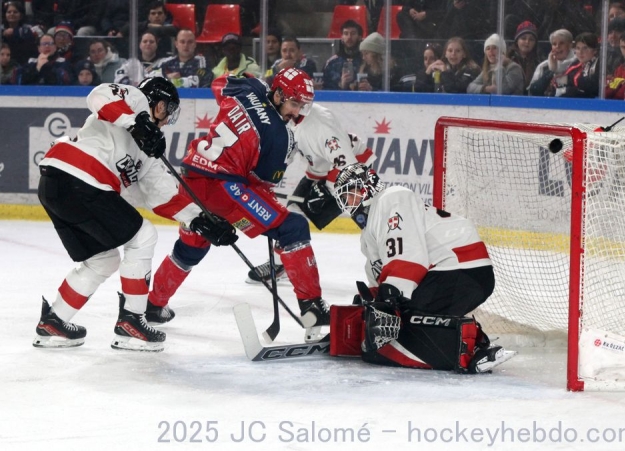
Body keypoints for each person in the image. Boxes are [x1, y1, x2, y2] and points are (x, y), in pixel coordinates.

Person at [34, 77, 238, 351]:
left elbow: (162, 194)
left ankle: (54, 321)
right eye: (168, 112)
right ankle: (131, 322)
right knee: (143, 237)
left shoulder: (150, 150)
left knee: (103, 260)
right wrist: (137, 122)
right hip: (80, 176)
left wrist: (200, 220)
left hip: (55, 185)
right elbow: (98, 95)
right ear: (160, 104)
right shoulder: (136, 98)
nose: (166, 121)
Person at [147, 69, 330, 339]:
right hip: (223, 189)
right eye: (294, 103)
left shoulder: (248, 88)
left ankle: (153, 305)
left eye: (302, 106)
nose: (297, 112)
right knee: (292, 228)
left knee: (192, 246)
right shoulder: (281, 137)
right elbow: (260, 182)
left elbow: (219, 81)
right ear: (278, 94)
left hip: (191, 182)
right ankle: (312, 305)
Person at [329, 163, 515, 374]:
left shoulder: (392, 197)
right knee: (392, 322)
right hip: (447, 272)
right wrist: (367, 305)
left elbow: (409, 257)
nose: (347, 203)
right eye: (343, 199)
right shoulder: (369, 233)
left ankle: (470, 352)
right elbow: (382, 277)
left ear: (366, 186)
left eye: (349, 194)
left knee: (401, 324)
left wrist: (389, 297)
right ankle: (473, 340)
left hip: (461, 268)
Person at [245, 101, 376, 283]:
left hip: (352, 171)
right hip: (320, 171)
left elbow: (347, 164)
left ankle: (388, 267)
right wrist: (259, 181)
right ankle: (278, 264)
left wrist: (328, 191)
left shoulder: (319, 124)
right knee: (291, 215)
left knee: (370, 224)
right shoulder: (287, 120)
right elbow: (283, 156)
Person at [527, 29, 574, 97]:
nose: (557, 46)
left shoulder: (577, 64)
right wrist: (551, 71)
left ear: (570, 46)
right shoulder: (543, 66)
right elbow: (533, 91)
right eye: (554, 44)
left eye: (561, 43)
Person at [321, 20, 363, 91]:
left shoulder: (366, 61)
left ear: (359, 37)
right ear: (342, 37)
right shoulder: (332, 62)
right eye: (346, 34)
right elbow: (324, 89)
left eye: (353, 33)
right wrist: (341, 86)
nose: (349, 37)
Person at [562, 32, 600, 98]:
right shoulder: (575, 63)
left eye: (585, 48)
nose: (580, 52)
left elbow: (592, 88)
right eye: (578, 48)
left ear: (595, 50)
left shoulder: (599, 65)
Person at [507, 20, 539, 89]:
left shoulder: (539, 62)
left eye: (531, 39)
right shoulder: (507, 58)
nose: (527, 42)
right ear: (517, 40)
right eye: (523, 38)